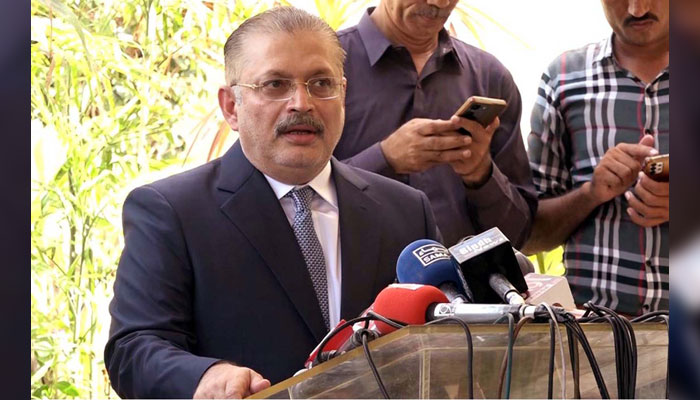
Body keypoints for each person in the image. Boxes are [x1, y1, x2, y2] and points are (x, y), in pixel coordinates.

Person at [104, 7, 441, 399]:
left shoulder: (405, 210)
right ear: (231, 106)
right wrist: (206, 376)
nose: (302, 103)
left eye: (320, 83)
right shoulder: (171, 211)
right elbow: (134, 349)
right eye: (275, 84)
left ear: (343, 94)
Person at [334, 0, 537, 248]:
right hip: (359, 286)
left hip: (464, 285)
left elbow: (517, 234)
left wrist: (481, 174)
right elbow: (294, 203)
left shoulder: (491, 77)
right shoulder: (325, 68)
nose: (439, 3)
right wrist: (385, 159)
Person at [524, 0, 669, 315]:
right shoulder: (563, 79)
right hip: (594, 337)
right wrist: (591, 193)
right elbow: (529, 234)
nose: (637, 9)